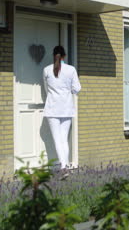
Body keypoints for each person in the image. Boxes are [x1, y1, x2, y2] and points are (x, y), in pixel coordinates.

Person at [43, 46, 81, 174]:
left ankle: (64, 167)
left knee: (57, 139)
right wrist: (68, 89)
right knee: (63, 139)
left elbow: (46, 89)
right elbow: (77, 89)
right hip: (66, 108)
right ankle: (65, 166)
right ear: (64, 56)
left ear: (53, 55)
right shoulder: (71, 70)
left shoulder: (46, 70)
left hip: (52, 108)